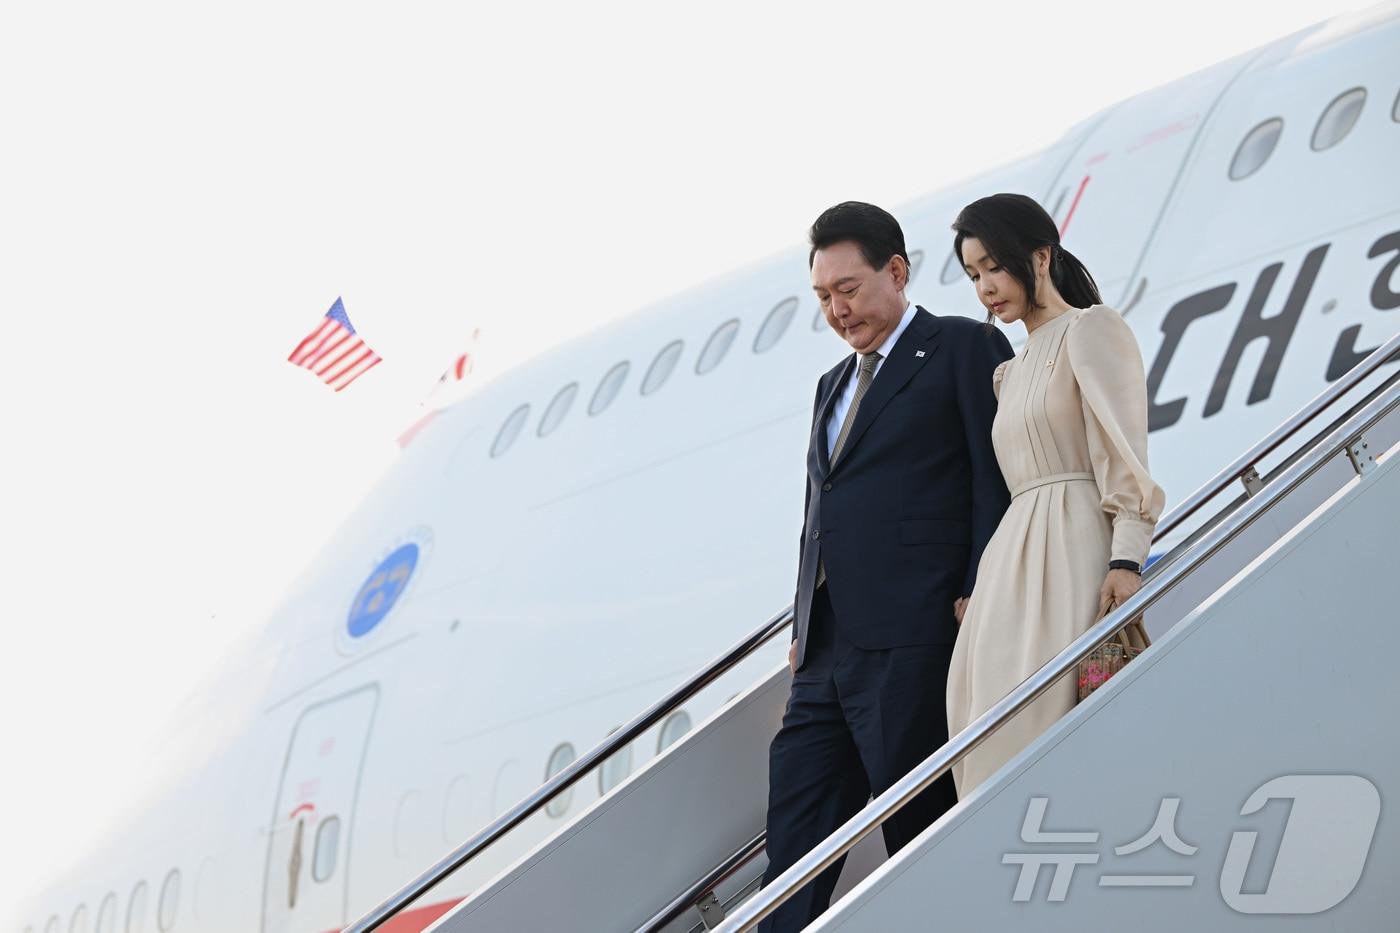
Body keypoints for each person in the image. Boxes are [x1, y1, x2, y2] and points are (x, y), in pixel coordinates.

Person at [759, 201, 1012, 932]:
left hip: (915, 636)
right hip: (824, 652)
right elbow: (821, 511)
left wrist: (980, 584)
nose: (837, 310)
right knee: (794, 846)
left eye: (849, 289)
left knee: (919, 830)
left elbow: (995, 477)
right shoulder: (830, 386)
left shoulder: (963, 347)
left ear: (897, 271)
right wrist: (803, 623)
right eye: (823, 297)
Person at [945, 193, 1166, 796]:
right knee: (988, 726)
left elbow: (1123, 453)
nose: (986, 288)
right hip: (1010, 562)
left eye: (995, 266)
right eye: (973, 275)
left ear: (1040, 257)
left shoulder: (1091, 329)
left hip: (1073, 549)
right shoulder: (1007, 372)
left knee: (1050, 723)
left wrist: (1127, 559)